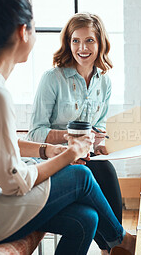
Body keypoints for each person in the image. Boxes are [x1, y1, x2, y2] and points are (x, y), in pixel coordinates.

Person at [0, 0, 135, 254]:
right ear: (23, 32)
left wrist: (46, 151)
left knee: (85, 219)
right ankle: (122, 241)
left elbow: (1, 145)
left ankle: (117, 241)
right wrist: (70, 153)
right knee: (80, 176)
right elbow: (15, 181)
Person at [27, 13, 122, 254]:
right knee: (102, 173)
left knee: (104, 167)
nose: (82, 48)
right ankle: (116, 246)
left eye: (89, 40)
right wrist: (69, 137)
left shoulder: (104, 82)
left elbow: (98, 125)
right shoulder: (52, 79)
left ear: (100, 43)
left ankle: (111, 248)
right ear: (68, 44)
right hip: (54, 160)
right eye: (75, 41)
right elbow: (35, 133)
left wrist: (100, 143)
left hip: (86, 158)